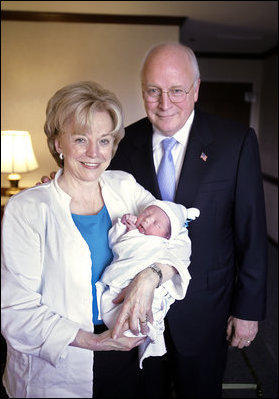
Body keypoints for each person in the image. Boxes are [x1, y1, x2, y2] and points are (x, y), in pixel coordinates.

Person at [1, 81, 191, 398]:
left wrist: (150, 276)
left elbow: (177, 235)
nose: (94, 153)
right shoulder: (27, 209)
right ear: (57, 142)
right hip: (56, 361)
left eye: (104, 141)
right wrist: (95, 342)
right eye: (80, 139)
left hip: (123, 350)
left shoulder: (125, 187)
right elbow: (16, 311)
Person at [107, 42, 268, 398]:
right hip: (138, 314)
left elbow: (251, 234)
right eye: (154, 91)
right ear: (143, 91)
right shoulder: (119, 143)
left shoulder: (236, 142)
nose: (165, 103)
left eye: (177, 90)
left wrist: (248, 310)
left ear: (195, 90)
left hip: (206, 309)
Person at [96, 200, 200, 369]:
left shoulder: (164, 244)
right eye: (145, 214)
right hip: (122, 277)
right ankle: (123, 325)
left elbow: (173, 257)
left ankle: (149, 325)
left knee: (154, 301)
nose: (145, 220)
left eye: (155, 223)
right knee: (116, 301)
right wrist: (125, 227)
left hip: (151, 282)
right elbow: (117, 244)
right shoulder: (133, 230)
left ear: (167, 236)